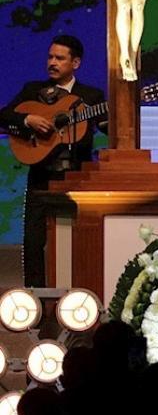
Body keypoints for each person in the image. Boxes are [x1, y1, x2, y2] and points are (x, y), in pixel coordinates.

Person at [0, 35, 105, 286]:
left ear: (75, 63)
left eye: (60, 58)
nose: (52, 62)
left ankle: (79, 294)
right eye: (50, 57)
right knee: (34, 241)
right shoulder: (32, 91)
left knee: (78, 237)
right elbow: (3, 116)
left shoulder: (90, 95)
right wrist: (28, 120)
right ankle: (36, 298)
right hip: (41, 175)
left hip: (77, 177)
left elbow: (109, 128)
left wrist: (117, 114)